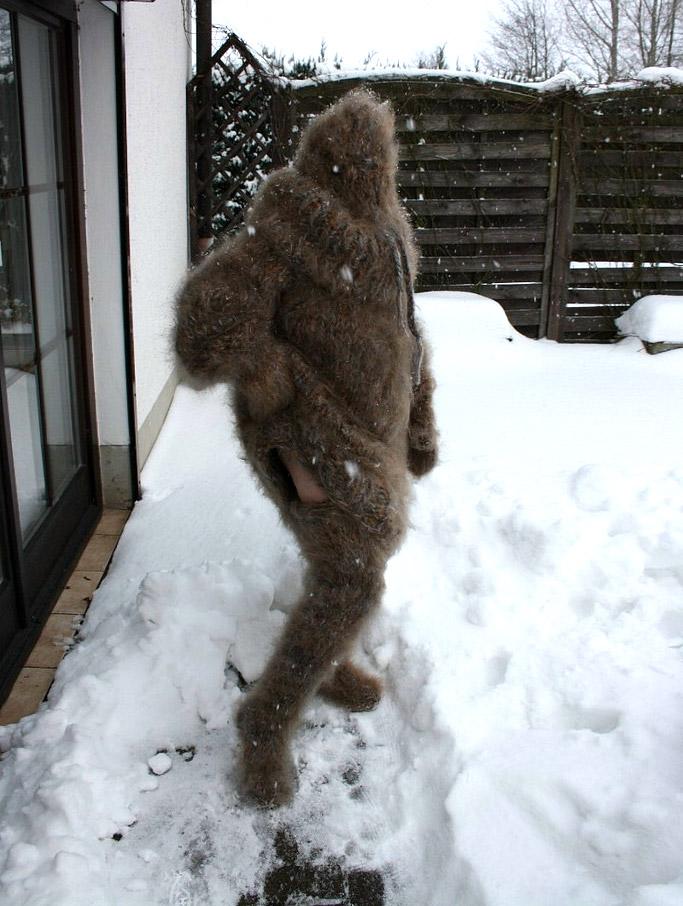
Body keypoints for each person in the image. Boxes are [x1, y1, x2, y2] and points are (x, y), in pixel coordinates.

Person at [175, 89, 438, 807]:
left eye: (375, 164)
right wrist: (268, 377)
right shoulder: (277, 237)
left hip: (371, 430)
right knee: (355, 572)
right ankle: (266, 720)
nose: (368, 176)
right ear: (321, 164)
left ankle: (333, 661)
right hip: (306, 435)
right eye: (354, 164)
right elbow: (201, 341)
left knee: (345, 562)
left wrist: (419, 421)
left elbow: (407, 335)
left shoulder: (387, 235)